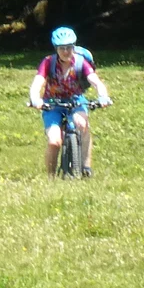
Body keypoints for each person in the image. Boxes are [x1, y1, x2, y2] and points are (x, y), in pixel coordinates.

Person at [30, 26, 112, 177]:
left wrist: (103, 96)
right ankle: (50, 178)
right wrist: (35, 99)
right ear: (56, 49)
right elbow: (37, 83)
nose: (66, 51)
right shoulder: (48, 62)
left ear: (74, 47)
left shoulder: (81, 62)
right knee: (54, 141)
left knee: (82, 125)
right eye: (62, 48)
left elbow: (95, 81)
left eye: (69, 47)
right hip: (52, 104)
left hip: (76, 101)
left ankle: (86, 167)